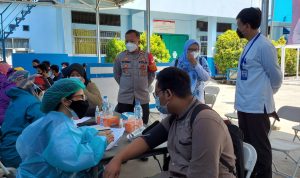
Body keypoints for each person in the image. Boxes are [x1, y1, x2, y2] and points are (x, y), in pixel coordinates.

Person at [104, 67, 235, 178]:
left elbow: (203, 175)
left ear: (168, 94)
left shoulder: (204, 122)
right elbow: (148, 140)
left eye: (157, 95)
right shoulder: (176, 116)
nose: (157, 101)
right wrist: (118, 158)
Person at [16, 78, 113, 177]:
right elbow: (74, 159)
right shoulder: (60, 126)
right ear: (65, 101)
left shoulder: (52, 119)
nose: (84, 100)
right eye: (81, 96)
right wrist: (101, 142)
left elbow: (71, 135)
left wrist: (92, 133)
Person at [235, 7, 283, 178]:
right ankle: (251, 174)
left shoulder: (264, 45)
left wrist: (267, 95)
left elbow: (276, 76)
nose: (238, 29)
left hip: (256, 106)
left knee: (260, 149)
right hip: (245, 104)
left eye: (239, 25)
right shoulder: (250, 44)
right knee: (247, 146)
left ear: (247, 26)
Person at [0, 70, 45, 168]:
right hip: (19, 155)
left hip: (6, 152)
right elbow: (44, 129)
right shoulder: (31, 103)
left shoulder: (15, 100)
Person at [114, 29, 156, 125]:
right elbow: (117, 74)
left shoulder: (148, 56)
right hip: (124, 99)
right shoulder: (120, 57)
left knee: (142, 126)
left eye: (132, 41)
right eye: (127, 41)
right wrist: (125, 85)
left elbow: (152, 74)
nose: (129, 43)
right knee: (124, 126)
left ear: (139, 41)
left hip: (142, 99)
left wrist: (144, 85)